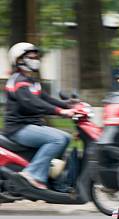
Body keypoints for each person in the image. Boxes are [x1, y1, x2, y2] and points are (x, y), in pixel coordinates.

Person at [3, 42, 75, 190]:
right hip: (19, 128)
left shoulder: (31, 82)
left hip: (31, 126)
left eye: (36, 56)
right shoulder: (18, 81)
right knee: (58, 139)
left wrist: (69, 105)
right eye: (31, 56)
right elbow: (32, 103)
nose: (35, 59)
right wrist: (59, 111)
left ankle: (51, 177)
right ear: (19, 60)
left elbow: (45, 99)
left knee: (67, 137)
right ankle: (32, 174)